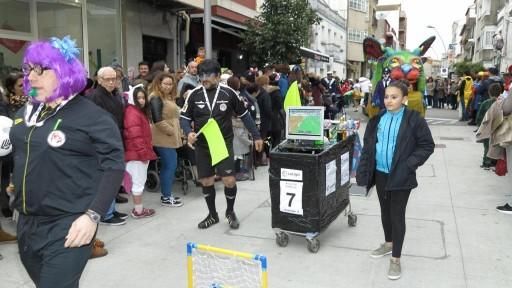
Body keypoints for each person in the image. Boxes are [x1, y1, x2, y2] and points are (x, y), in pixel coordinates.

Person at [10, 36, 125, 287]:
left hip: (69, 223)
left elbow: (114, 165)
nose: (31, 77)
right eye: (29, 70)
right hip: (27, 223)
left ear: (63, 72)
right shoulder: (25, 113)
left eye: (41, 70)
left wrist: (92, 215)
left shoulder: (92, 117)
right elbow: (23, 153)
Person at [356, 80, 435, 280]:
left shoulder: (414, 119)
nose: (389, 101)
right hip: (380, 174)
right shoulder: (378, 119)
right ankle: (388, 244)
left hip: (401, 176)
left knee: (397, 215)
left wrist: (410, 163)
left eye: (394, 97)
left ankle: (395, 259)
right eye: (386, 97)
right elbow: (369, 146)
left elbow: (427, 145)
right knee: (384, 211)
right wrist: (365, 169)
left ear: (404, 99)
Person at [180, 59, 263, 229]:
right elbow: (184, 118)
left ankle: (230, 212)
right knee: (206, 181)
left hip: (223, 142)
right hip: (202, 144)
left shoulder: (229, 93)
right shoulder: (194, 94)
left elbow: (245, 115)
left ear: (217, 76)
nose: (204, 78)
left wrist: (257, 136)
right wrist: (188, 132)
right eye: (201, 75)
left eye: (208, 75)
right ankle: (212, 215)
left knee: (229, 180)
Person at [89, 66, 129, 224]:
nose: (112, 82)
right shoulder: (94, 96)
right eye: (108, 79)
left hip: (115, 138)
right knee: (106, 177)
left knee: (113, 176)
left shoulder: (114, 95)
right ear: (99, 80)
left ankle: (111, 210)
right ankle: (106, 213)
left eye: (115, 79)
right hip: (102, 142)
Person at [149, 72, 183, 207]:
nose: (168, 86)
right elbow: (158, 120)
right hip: (163, 137)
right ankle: (166, 197)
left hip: (169, 136)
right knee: (169, 166)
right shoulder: (155, 97)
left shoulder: (167, 97)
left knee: (170, 165)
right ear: (159, 84)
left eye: (170, 84)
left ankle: (167, 195)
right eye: (165, 84)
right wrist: (172, 132)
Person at [123, 85, 157, 218]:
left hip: (138, 153)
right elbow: (135, 136)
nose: (142, 100)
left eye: (143, 97)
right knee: (138, 183)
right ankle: (138, 211)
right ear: (132, 98)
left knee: (138, 182)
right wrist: (144, 154)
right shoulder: (132, 112)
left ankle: (138, 209)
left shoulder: (135, 111)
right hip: (137, 155)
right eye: (138, 98)